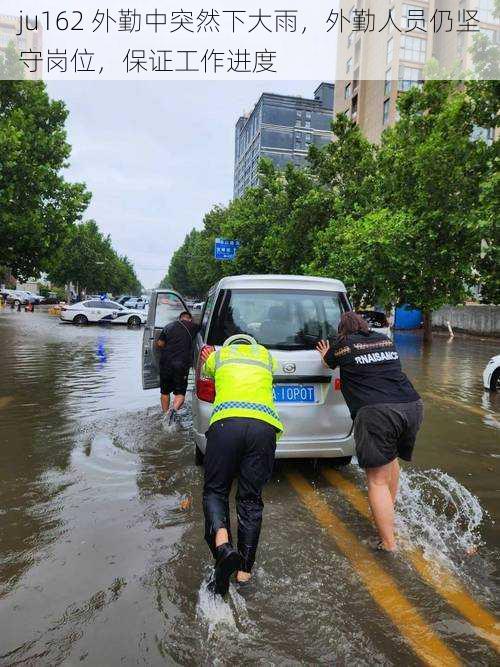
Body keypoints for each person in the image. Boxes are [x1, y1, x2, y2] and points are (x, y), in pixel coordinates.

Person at [316, 312, 423, 552]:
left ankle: (388, 544)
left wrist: (325, 353)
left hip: (377, 412)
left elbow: (326, 363)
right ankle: (387, 512)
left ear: (342, 330)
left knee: (376, 481)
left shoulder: (342, 344)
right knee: (391, 457)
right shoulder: (384, 339)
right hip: (412, 405)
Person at [200, 335, 283, 597]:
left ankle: (224, 548)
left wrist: (209, 359)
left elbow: (206, 371)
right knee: (250, 500)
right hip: (263, 429)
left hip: (226, 425)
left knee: (215, 491)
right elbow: (274, 376)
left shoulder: (220, 356)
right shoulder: (266, 356)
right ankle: (244, 575)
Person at [155, 311, 198, 424]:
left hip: (165, 363)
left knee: (164, 392)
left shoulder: (169, 326)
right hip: (181, 365)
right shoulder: (193, 327)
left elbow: (159, 343)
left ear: (180, 318)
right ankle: (173, 410)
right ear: (189, 319)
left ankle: (165, 416)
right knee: (180, 394)